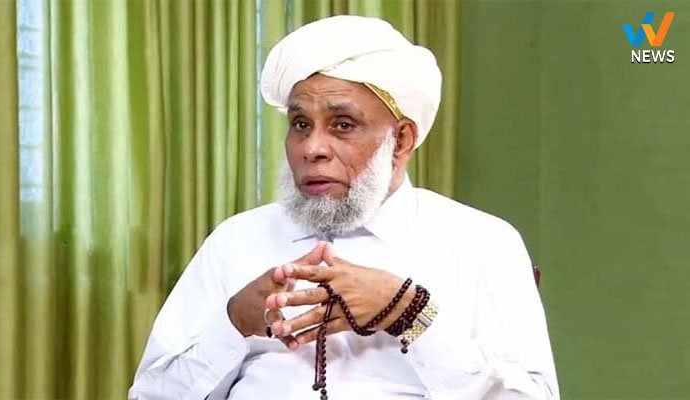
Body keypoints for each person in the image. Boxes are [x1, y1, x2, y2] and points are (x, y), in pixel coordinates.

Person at [129, 15, 559, 400]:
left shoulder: (482, 243)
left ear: (401, 141)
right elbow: (150, 395)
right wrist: (233, 324)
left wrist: (408, 312)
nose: (312, 148)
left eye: (343, 125)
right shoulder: (236, 240)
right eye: (300, 124)